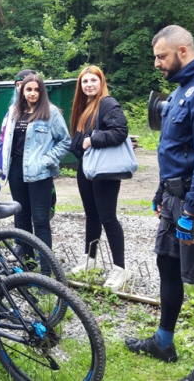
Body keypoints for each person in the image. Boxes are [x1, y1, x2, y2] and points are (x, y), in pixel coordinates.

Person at [125, 25, 194, 381]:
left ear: (183, 51)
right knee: (168, 267)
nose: (157, 63)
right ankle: (163, 342)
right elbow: (174, 150)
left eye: (161, 56)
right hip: (175, 197)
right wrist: (162, 192)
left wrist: (191, 211)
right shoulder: (182, 91)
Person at [68, 65, 131, 291]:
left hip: (104, 170)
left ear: (101, 82)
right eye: (85, 81)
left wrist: (92, 140)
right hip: (87, 168)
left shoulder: (108, 103)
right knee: (92, 216)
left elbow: (120, 131)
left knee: (108, 218)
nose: (89, 85)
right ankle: (90, 259)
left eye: (93, 80)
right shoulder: (85, 105)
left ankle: (120, 269)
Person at [0, 73, 70, 269]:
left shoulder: (51, 112)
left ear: (42, 92)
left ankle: (47, 270)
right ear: (22, 91)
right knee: (22, 218)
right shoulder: (14, 111)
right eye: (28, 89)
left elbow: (65, 141)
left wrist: (46, 160)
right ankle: (28, 265)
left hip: (39, 173)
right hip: (16, 170)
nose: (32, 93)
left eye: (36, 90)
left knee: (40, 221)